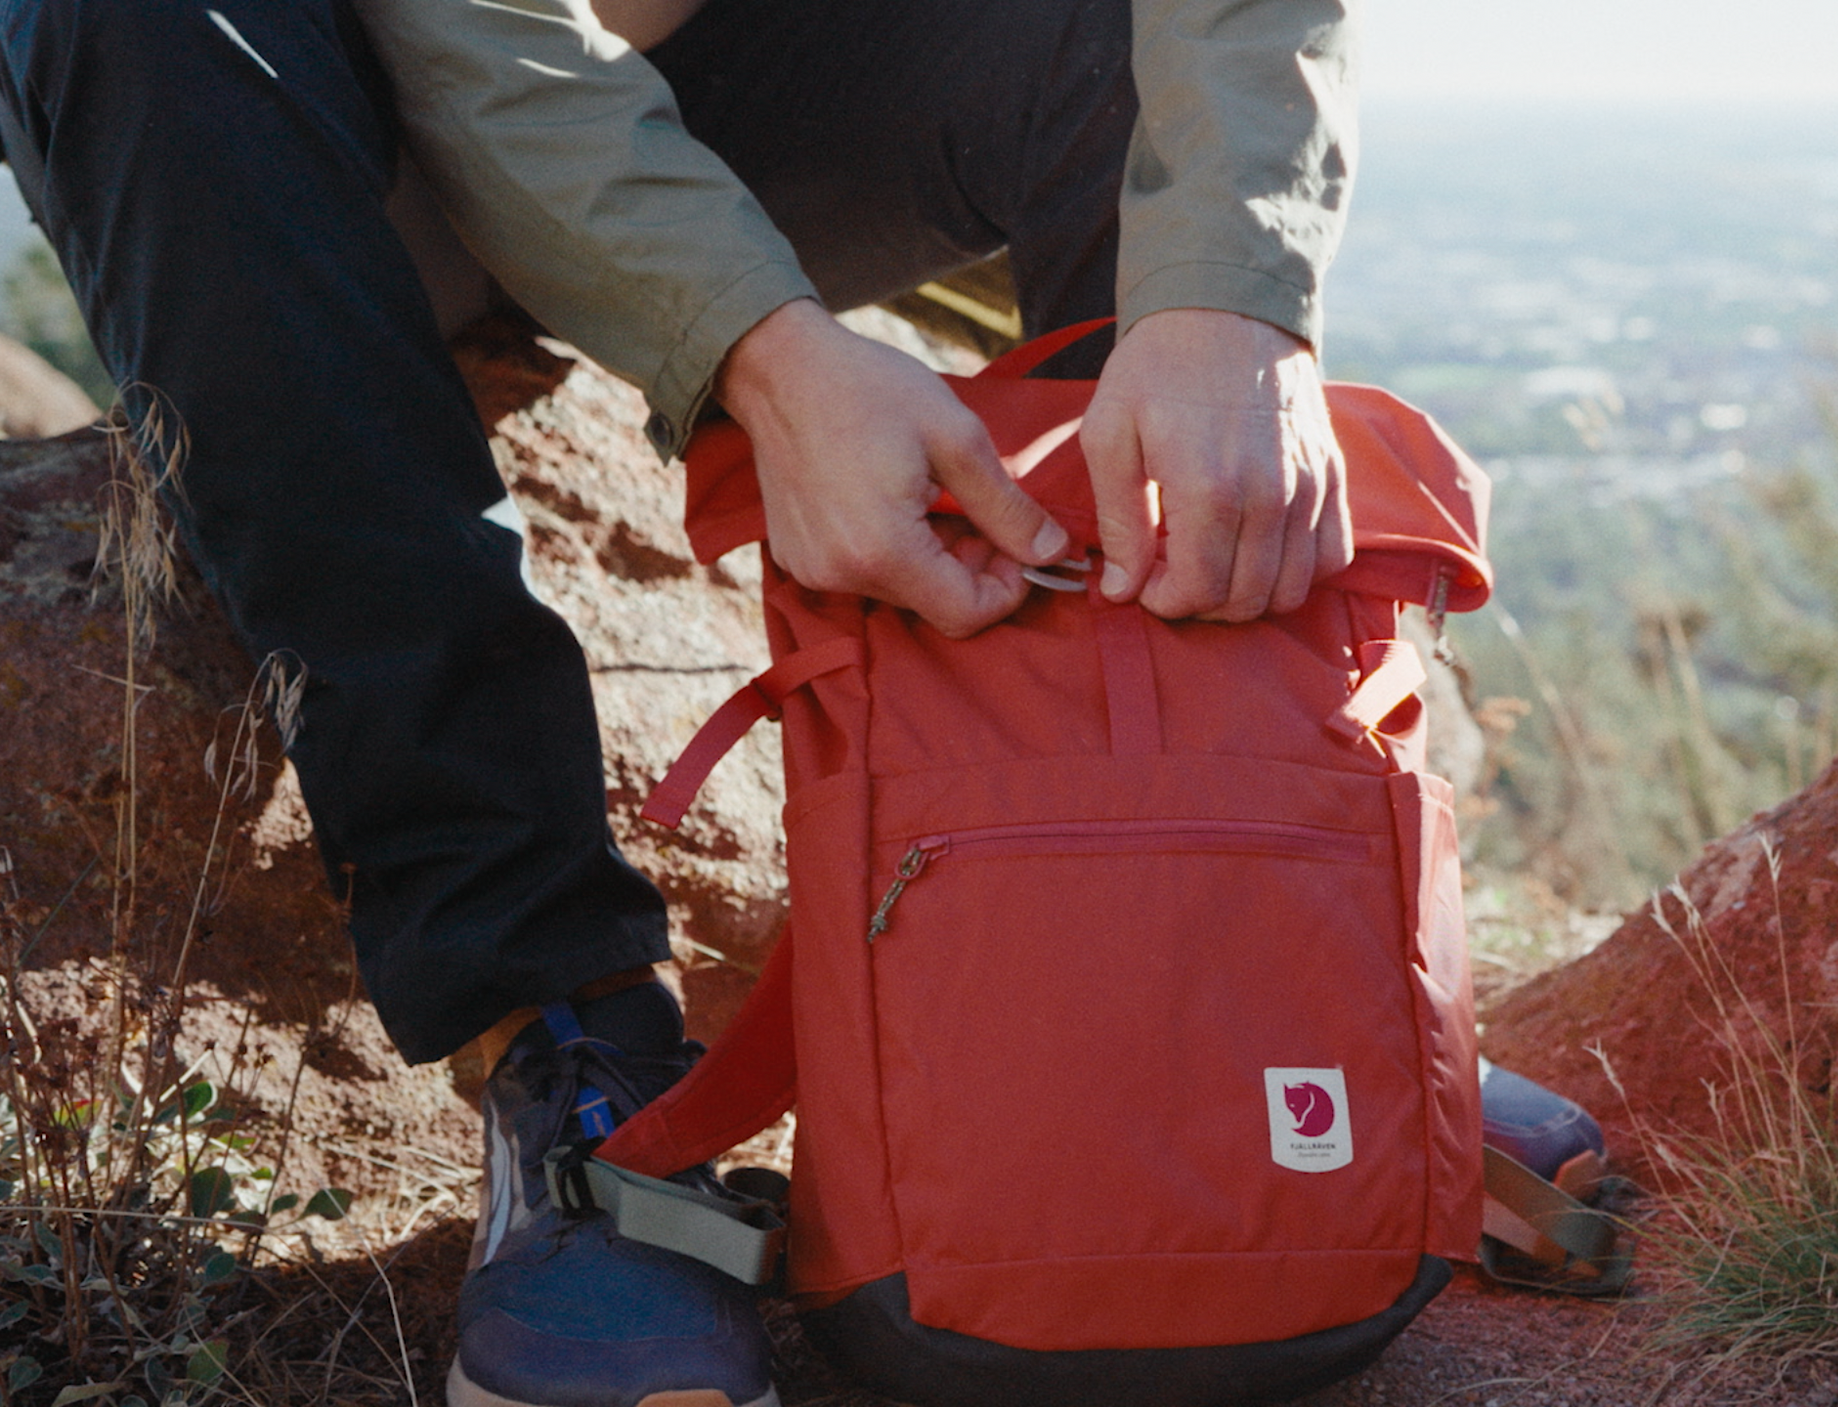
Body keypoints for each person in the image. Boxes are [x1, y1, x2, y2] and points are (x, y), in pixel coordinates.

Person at [0, 0, 1355, 1402]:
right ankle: (567, 1048)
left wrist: (1229, 292)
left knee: (1122, 55)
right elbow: (471, 28)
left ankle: (1210, 956)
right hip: (285, 128)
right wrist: (764, 352)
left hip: (725, 93)